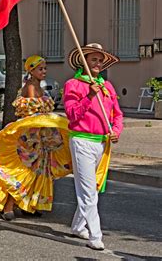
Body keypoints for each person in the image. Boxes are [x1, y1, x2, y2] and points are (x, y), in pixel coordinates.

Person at [0, 55, 72, 221]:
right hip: (29, 137)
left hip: (40, 136)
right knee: (24, 170)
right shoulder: (31, 86)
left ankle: (30, 204)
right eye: (40, 69)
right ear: (31, 71)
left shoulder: (39, 86)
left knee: (38, 170)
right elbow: (34, 110)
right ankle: (8, 206)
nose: (44, 71)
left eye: (45, 68)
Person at [64, 43, 123, 251]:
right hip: (81, 140)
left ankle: (78, 226)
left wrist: (116, 131)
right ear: (84, 61)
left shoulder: (107, 86)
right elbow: (72, 115)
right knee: (88, 190)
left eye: (100, 60)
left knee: (94, 188)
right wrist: (89, 95)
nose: (97, 64)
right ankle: (95, 235)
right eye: (93, 60)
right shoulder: (73, 84)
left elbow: (117, 114)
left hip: (102, 144)